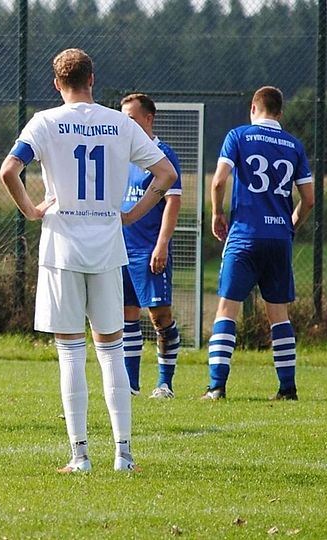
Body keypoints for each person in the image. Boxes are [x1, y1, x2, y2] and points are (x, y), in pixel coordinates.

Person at [0, 49, 177, 473]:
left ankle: (79, 455)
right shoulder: (120, 123)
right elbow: (166, 173)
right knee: (112, 350)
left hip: (61, 246)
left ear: (57, 83)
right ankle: (124, 454)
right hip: (107, 246)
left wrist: (31, 209)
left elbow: (9, 169)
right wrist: (132, 213)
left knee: (71, 353)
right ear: (92, 79)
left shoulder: (45, 121)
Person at [204, 86, 314, 401]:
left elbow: (219, 180)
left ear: (254, 107)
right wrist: (291, 224)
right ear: (280, 112)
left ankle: (216, 387)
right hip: (279, 238)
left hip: (245, 235)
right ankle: (287, 389)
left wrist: (217, 213)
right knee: (279, 313)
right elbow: (308, 199)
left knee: (227, 309)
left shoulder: (238, 136)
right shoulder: (294, 145)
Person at [119, 93, 183, 399]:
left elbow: (173, 202)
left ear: (148, 119)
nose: (125, 124)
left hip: (149, 249)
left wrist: (162, 244)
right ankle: (131, 385)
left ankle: (165, 384)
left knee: (160, 318)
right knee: (126, 315)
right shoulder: (119, 154)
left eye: (130, 118)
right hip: (121, 248)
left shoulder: (162, 154)